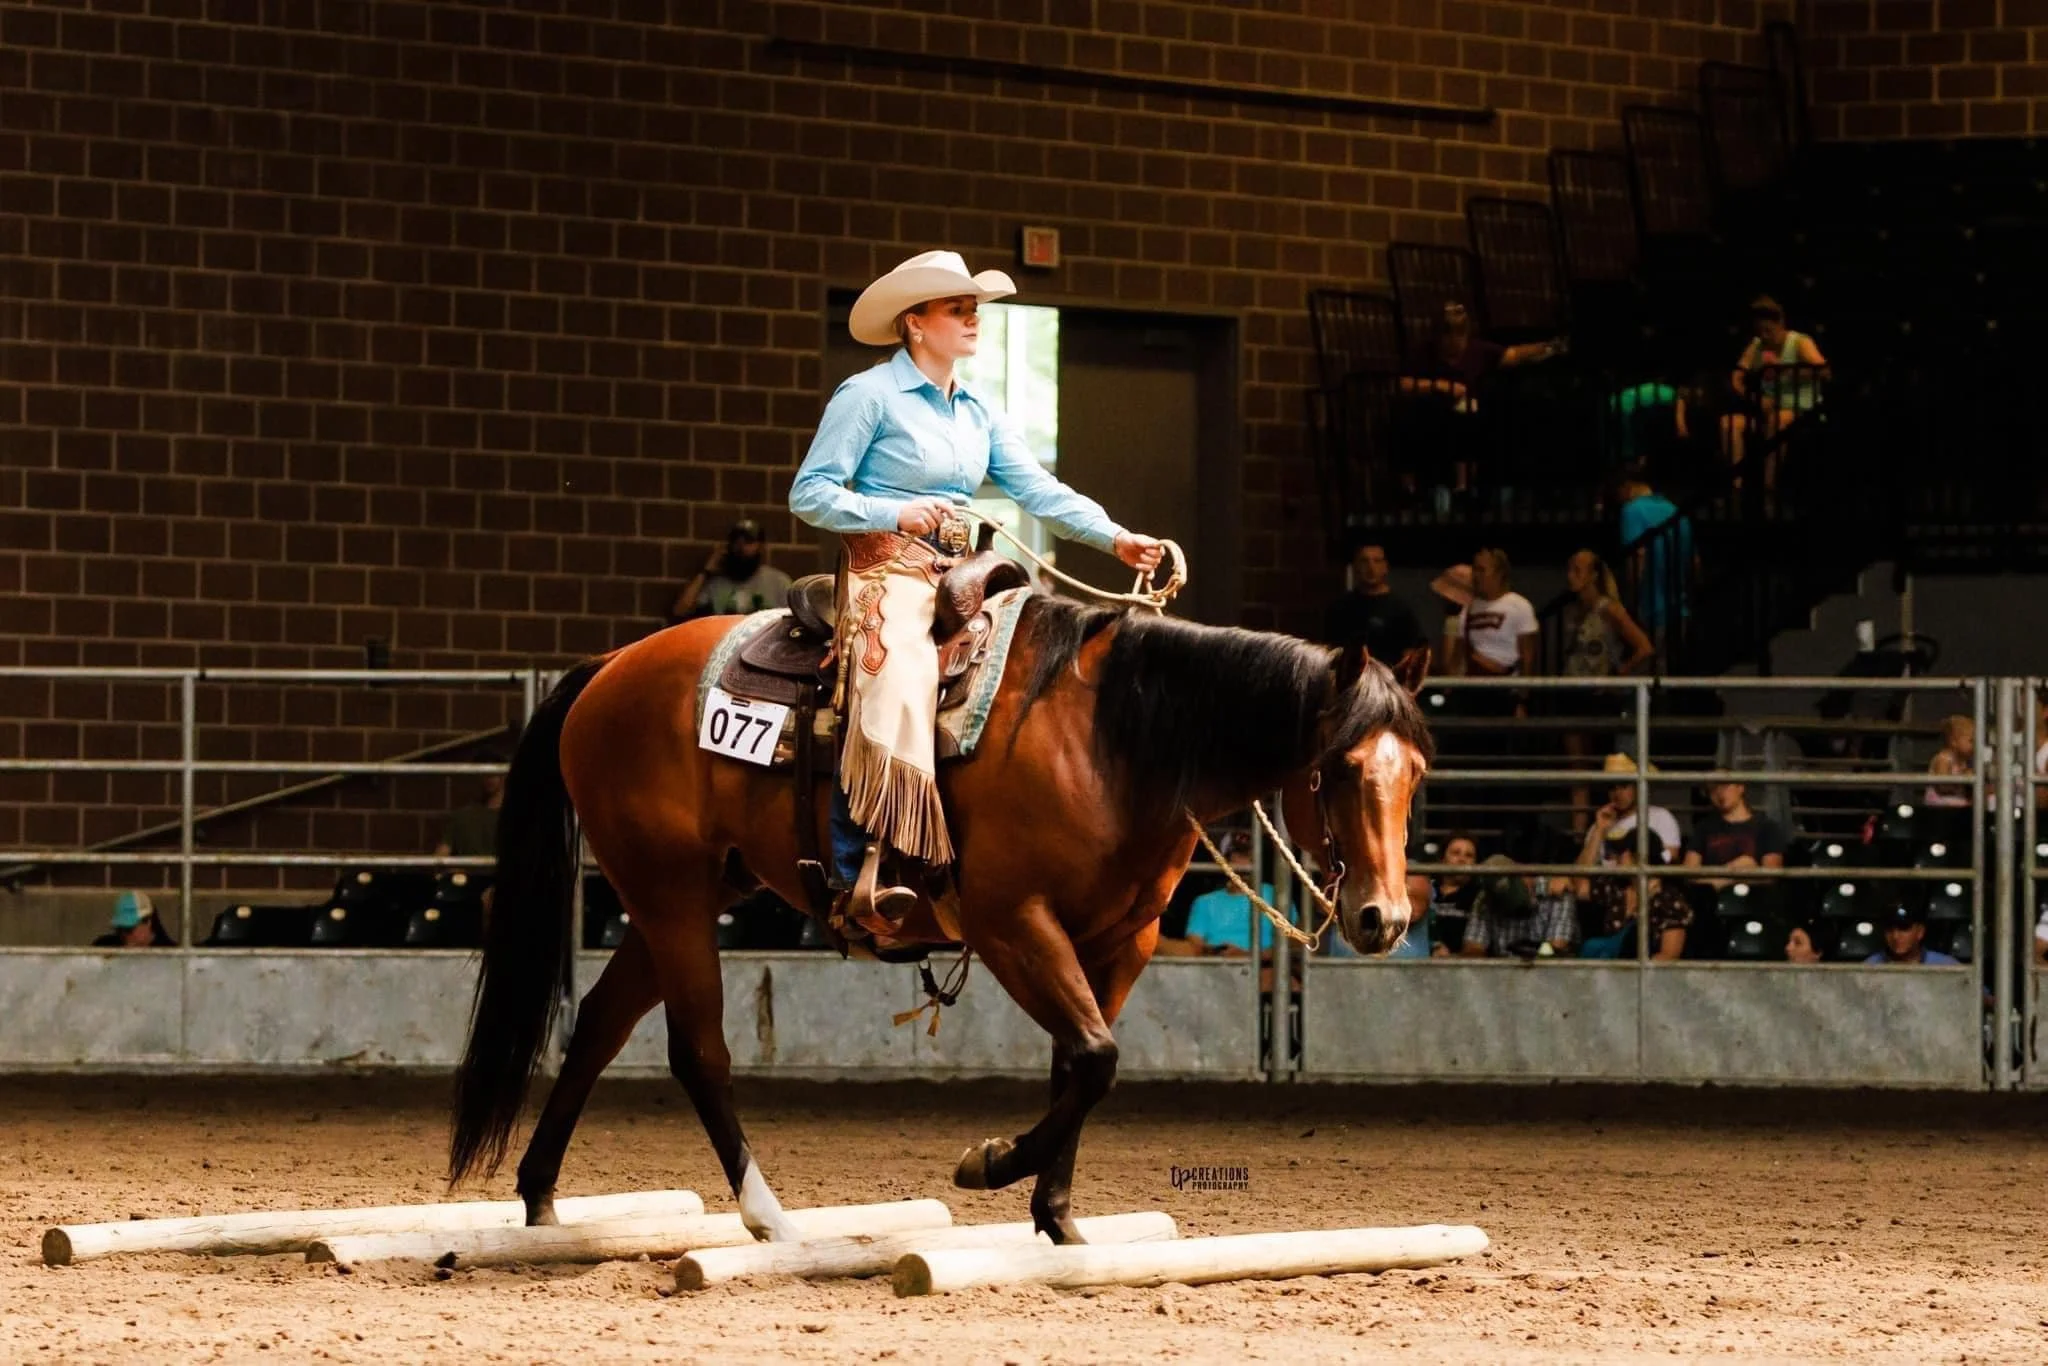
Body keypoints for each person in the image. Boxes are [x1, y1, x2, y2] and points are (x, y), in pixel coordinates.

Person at [789, 250, 1163, 920]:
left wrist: (1115, 537)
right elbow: (810, 493)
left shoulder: (980, 410)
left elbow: (1038, 490)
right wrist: (891, 511)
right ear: (915, 323)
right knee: (897, 678)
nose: (972, 320)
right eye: (956, 308)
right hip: (888, 568)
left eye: (974, 309)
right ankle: (861, 867)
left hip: (966, 571)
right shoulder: (867, 396)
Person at [1559, 549, 1655, 831]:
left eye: (1578, 570)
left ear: (1594, 575)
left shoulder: (1608, 608)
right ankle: (1579, 832)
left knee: (1603, 766)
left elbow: (1644, 646)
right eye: (1570, 569)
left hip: (1600, 697)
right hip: (1574, 693)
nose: (1572, 576)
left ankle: (1606, 828)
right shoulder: (1574, 611)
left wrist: (1619, 672)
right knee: (1577, 768)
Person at [1726, 295, 1827, 490]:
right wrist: (1754, 397)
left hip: (1801, 408)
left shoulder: (1800, 342)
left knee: (1778, 420)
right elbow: (1737, 375)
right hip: (1768, 406)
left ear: (1780, 323)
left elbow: (1823, 371)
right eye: (1759, 331)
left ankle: (1768, 485)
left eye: (1768, 331)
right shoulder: (1757, 344)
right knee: (1729, 424)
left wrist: (1785, 368)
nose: (1764, 336)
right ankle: (1735, 486)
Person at [1574, 830, 1692, 960]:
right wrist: (1598, 831)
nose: (1616, 858)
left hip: (1644, 976)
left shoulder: (1669, 900)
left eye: (1622, 853)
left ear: (1637, 858)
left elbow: (1668, 956)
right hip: (1606, 972)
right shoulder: (1617, 886)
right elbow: (1579, 886)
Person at [1615, 464, 1695, 643]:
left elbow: (1637, 559)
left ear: (1626, 488)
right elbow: (1694, 562)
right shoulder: (1675, 510)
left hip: (1651, 610)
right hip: (1680, 609)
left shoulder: (1632, 511)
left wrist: (1630, 603)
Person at [668, 518, 793, 624]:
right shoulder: (716, 583)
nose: (741, 547)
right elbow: (680, 612)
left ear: (760, 547)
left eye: (748, 542)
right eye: (737, 542)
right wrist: (705, 571)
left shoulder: (779, 583)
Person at [1440, 550, 1538, 680]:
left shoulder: (1520, 606)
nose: (1476, 575)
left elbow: (1528, 656)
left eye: (1481, 570)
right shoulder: (1469, 609)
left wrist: (1524, 694)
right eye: (1475, 569)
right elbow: (1458, 654)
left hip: (1506, 685)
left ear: (1499, 573)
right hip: (1473, 684)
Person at [1324, 542, 1426, 665]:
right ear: (1355, 566)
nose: (1371, 567)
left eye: (1377, 561)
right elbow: (1329, 651)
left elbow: (1411, 653)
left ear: (1385, 567)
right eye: (1364, 561)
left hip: (1386, 680)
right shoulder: (1340, 608)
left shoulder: (1400, 609)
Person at [1458, 855, 1578, 958]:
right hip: (1501, 973)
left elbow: (1556, 949)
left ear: (1525, 879)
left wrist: (1527, 952)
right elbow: (1473, 948)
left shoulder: (1557, 894)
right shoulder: (1485, 900)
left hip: (1546, 973)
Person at [1683, 781, 1787, 890]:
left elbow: (1771, 875)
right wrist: (1734, 871)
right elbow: (1689, 872)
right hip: (1714, 900)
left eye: (1725, 786)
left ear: (1740, 787)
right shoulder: (1704, 827)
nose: (1719, 792)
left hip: (1754, 899)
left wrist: (1718, 880)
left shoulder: (1767, 827)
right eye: (1713, 789)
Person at [1591, 753, 1683, 863]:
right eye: (1612, 787)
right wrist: (1599, 830)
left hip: (1644, 879)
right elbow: (1580, 873)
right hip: (1607, 879)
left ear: (1638, 787)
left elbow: (1670, 861)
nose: (1617, 793)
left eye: (1624, 785)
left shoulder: (1661, 817)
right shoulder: (1601, 822)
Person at [435, 751, 506, 860]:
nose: (488, 777)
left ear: (504, 775)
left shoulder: (516, 818)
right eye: (483, 773)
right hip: (469, 875)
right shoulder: (461, 817)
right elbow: (440, 857)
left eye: (493, 773)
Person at [1866, 903, 1958, 967]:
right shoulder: (1869, 966)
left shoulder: (1946, 965)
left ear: (1920, 932)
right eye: (1889, 930)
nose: (1895, 936)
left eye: (1904, 928)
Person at [90, 890, 173, 948]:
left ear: (148, 922)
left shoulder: (171, 955)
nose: (124, 935)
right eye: (120, 929)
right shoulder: (104, 947)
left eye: (129, 929)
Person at [1924, 714, 1974, 809]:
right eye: (1971, 741)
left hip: (1957, 804)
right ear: (1954, 741)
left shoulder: (1964, 761)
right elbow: (1943, 786)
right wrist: (1963, 778)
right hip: (1941, 806)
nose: (1974, 745)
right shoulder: (1943, 759)